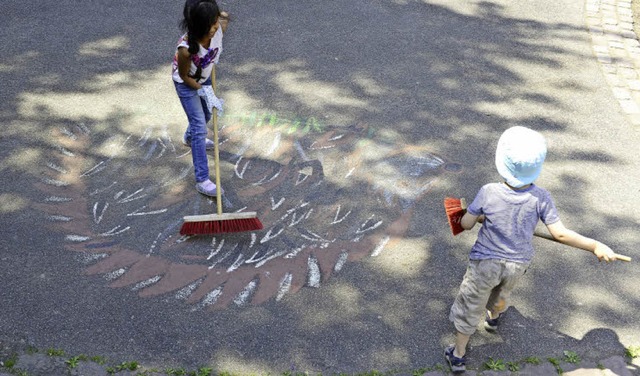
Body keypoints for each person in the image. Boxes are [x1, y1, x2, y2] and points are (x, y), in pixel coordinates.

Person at [445, 126, 621, 373]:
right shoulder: (541, 197)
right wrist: (595, 245)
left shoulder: (488, 192)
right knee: (502, 293)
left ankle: (459, 354)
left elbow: (465, 224)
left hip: (485, 262)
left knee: (470, 304)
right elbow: (559, 233)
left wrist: (471, 215)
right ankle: (493, 318)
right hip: (517, 264)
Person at [172, 0, 229, 197]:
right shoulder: (185, 49)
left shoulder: (219, 25)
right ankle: (202, 179)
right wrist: (206, 92)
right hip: (187, 84)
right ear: (197, 26)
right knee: (200, 128)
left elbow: (224, 16)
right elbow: (184, 76)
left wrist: (214, 13)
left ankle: (189, 138)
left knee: (205, 114)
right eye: (211, 25)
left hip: (204, 78)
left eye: (215, 22)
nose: (216, 27)